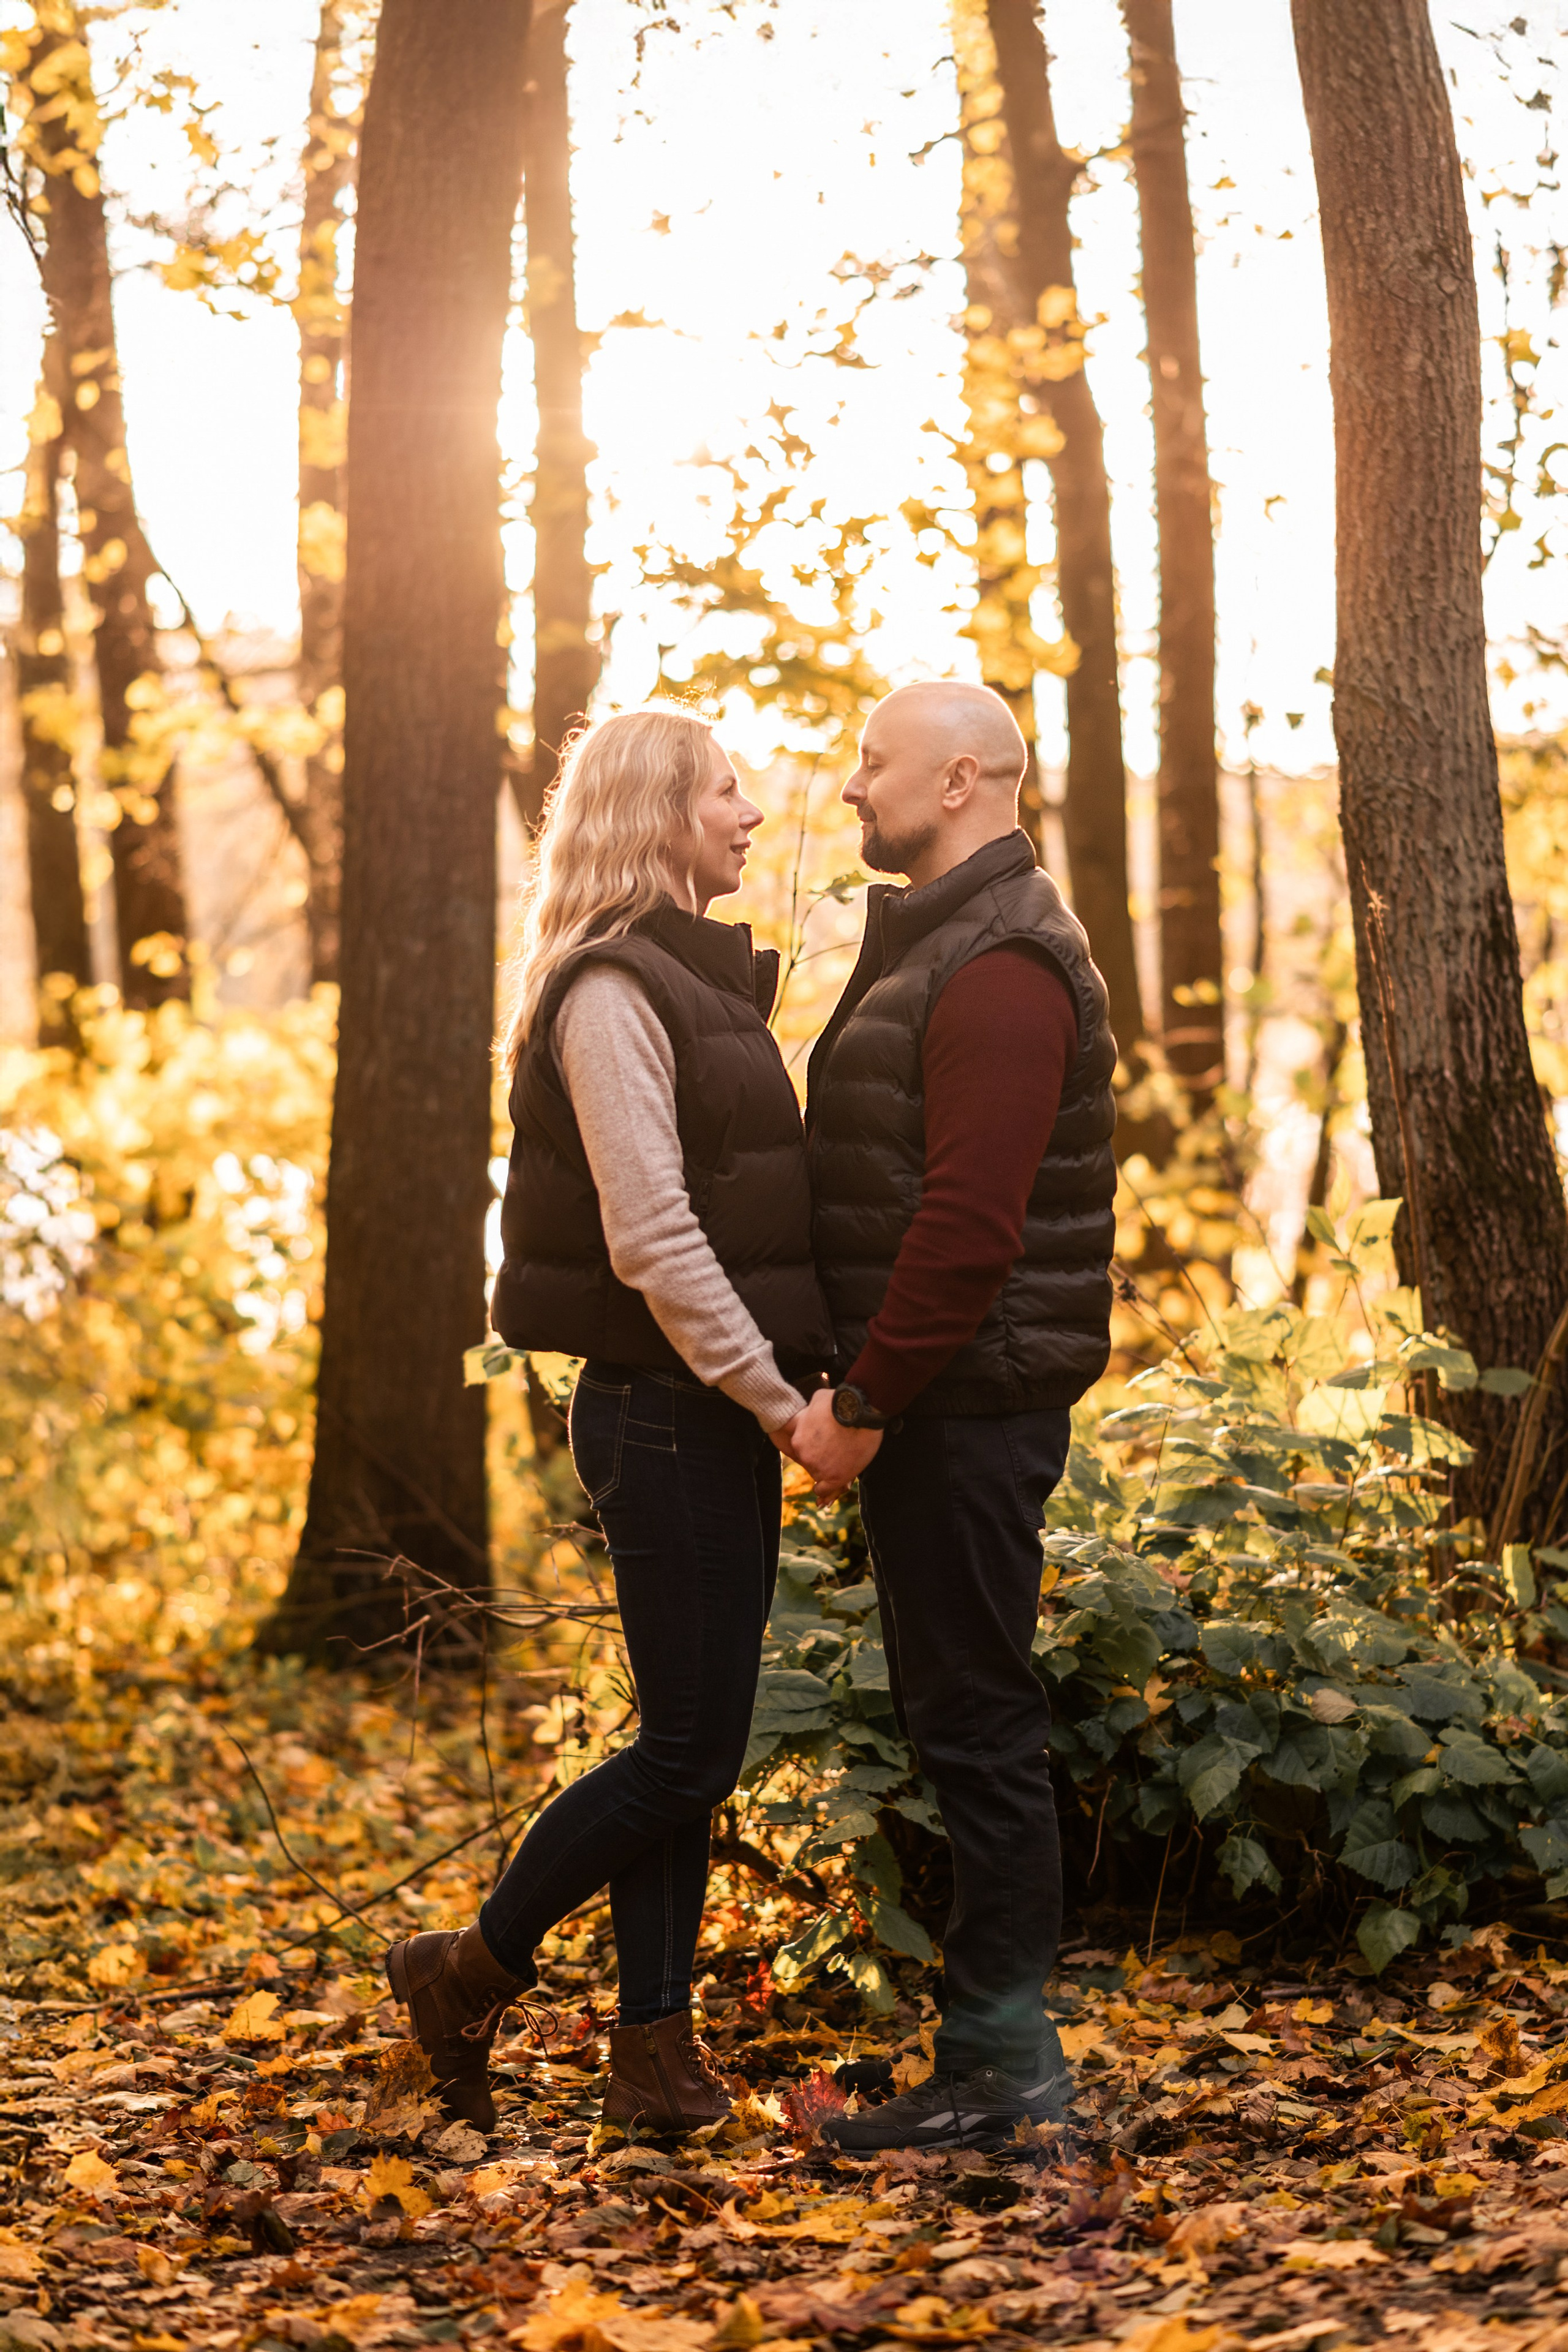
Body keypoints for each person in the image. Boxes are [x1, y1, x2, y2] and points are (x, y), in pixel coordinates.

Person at [385, 706, 834, 2137]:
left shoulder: (686, 981)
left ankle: (650, 2056)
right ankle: (465, 1972)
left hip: (691, 1408)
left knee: (683, 1742)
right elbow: (651, 1236)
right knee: (688, 1753)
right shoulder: (610, 995)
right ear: (653, 814)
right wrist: (776, 1401)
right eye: (724, 790)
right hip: (667, 1411)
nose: (751, 811)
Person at [789, 679, 1117, 2151]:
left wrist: (864, 1398)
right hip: (938, 1398)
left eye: (876, 765)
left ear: (963, 780)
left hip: (962, 1406)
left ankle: (1003, 2077)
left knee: (976, 1725)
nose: (852, 788)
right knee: (956, 1713)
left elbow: (971, 1226)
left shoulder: (998, 965)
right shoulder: (938, 940)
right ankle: (988, 2059)